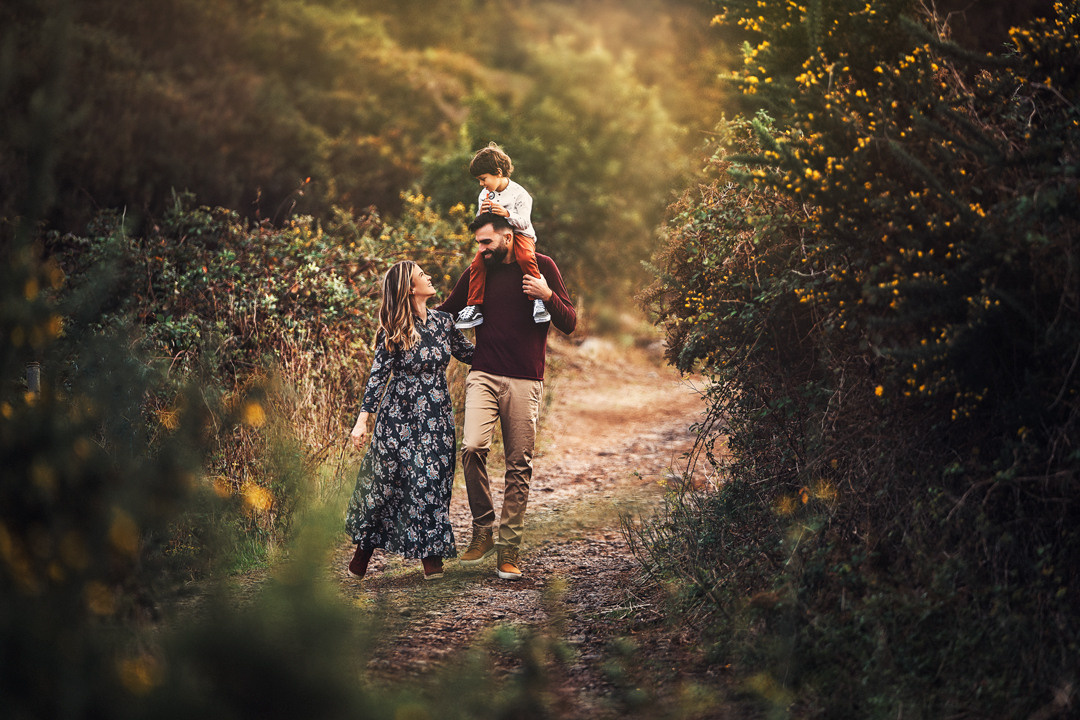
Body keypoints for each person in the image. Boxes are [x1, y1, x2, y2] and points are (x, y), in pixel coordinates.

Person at [438, 213, 576, 580]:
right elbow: (446, 313)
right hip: (483, 373)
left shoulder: (542, 266)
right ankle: (483, 530)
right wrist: (406, 312)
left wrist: (547, 295)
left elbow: (570, 322)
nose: (481, 249)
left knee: (518, 464)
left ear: (508, 237)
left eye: (487, 242)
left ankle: (509, 547)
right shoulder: (478, 271)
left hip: (526, 378)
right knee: (472, 448)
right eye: (478, 243)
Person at [345, 260, 474, 581]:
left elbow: (472, 354)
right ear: (410, 288)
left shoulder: (444, 322)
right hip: (398, 419)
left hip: (436, 417)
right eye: (421, 275)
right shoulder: (393, 329)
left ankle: (431, 556)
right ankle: (364, 549)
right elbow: (378, 377)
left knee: (432, 482)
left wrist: (509, 343)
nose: (429, 278)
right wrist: (362, 421)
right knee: (385, 486)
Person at [454, 142, 551, 330]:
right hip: (497, 237)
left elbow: (525, 223)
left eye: (483, 179)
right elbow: (481, 224)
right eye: (479, 180)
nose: (481, 184)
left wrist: (506, 214)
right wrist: (481, 214)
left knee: (525, 257)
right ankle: (474, 305)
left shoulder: (520, 195)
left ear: (498, 173)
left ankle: (537, 301)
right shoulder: (484, 195)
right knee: (477, 263)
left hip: (520, 234)